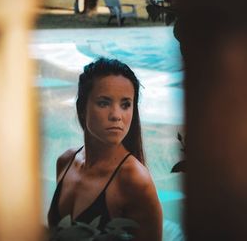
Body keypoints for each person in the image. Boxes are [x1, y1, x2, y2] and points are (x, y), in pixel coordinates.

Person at [48, 58, 162, 241]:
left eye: (125, 104)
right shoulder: (66, 161)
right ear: (82, 108)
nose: (116, 115)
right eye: (104, 103)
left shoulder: (135, 180)